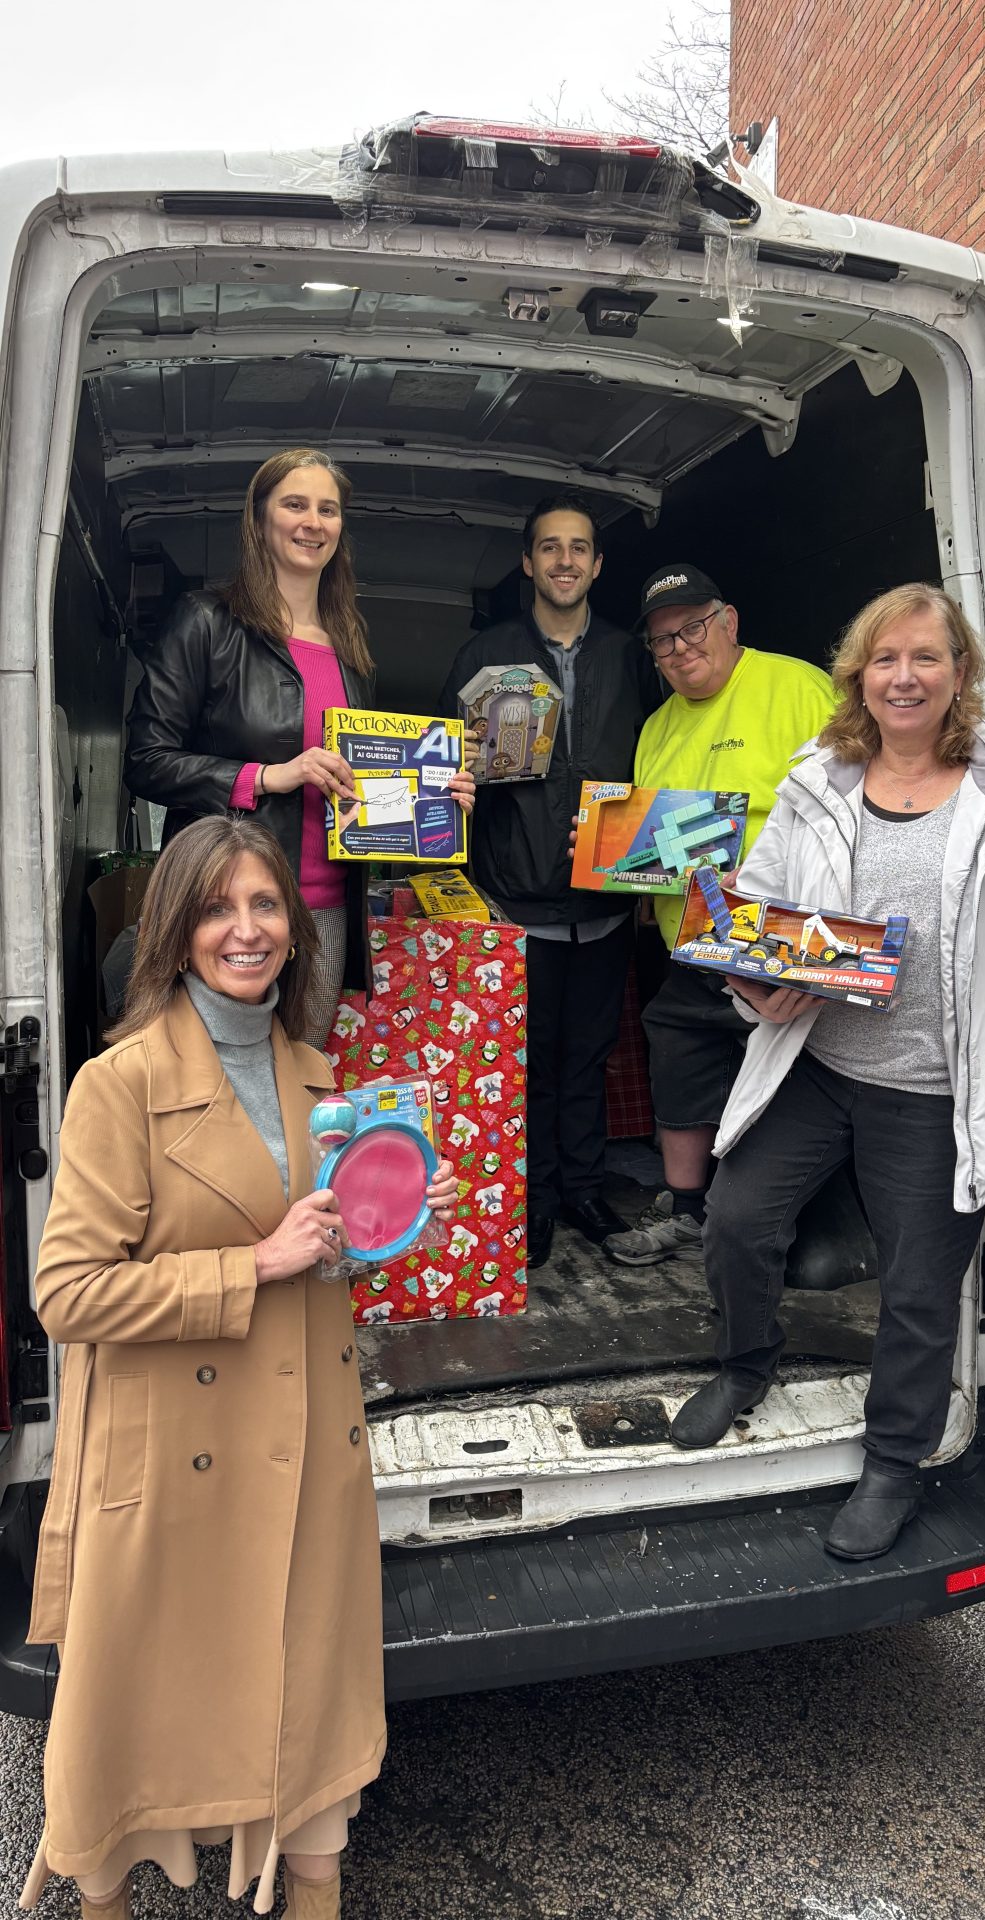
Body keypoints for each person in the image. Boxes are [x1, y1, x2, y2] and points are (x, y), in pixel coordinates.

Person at [19, 817, 459, 1920]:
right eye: (217, 908)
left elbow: (324, 1252)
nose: (246, 929)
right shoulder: (118, 1084)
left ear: (296, 930)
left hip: (305, 1451)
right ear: (176, 930)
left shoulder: (319, 1075)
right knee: (128, 1730)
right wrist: (252, 1265)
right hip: (173, 1459)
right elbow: (67, 1294)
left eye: (266, 904)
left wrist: (395, 1211)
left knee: (308, 1726)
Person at [668, 582, 985, 1561]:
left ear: (960, 673)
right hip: (819, 1062)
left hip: (935, 1089)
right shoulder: (819, 782)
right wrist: (754, 984)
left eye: (926, 657)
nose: (904, 677)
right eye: (885, 659)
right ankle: (744, 1363)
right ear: (859, 676)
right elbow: (757, 910)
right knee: (736, 1219)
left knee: (921, 1288)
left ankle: (894, 1460)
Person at [124, 448, 475, 1049]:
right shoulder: (207, 621)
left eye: (328, 510)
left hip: (326, 914)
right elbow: (145, 759)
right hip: (226, 910)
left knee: (302, 1084)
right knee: (212, 1081)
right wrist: (267, 777)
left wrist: (434, 797)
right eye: (295, 505)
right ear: (260, 519)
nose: (313, 522)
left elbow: (363, 787)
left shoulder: (352, 651)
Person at [438, 493, 662, 1270]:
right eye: (549, 547)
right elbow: (445, 769)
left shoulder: (633, 656)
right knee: (526, 1063)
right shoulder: (485, 655)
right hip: (517, 901)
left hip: (605, 904)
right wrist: (459, 786)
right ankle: (532, 1202)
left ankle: (584, 1193)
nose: (564, 560)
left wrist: (644, 873)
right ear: (528, 563)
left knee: (589, 1058)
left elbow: (659, 765)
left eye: (579, 548)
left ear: (597, 565)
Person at [603, 563, 837, 1267]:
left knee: (787, 1079)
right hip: (693, 938)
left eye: (693, 628)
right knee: (678, 1049)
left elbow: (852, 802)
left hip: (778, 931)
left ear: (729, 621)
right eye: (662, 640)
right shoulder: (656, 727)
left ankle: (792, 1227)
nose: (680, 648)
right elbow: (648, 840)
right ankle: (686, 1211)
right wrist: (623, 866)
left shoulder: (797, 687)